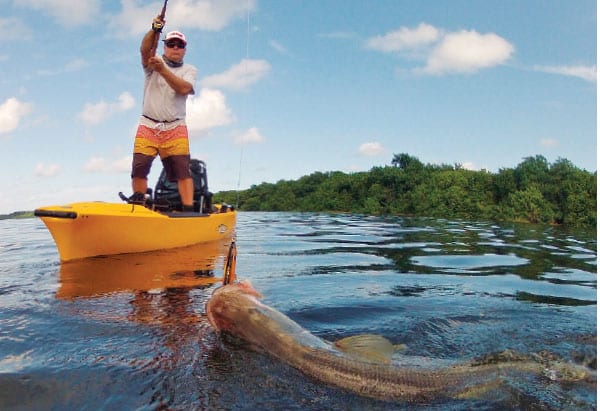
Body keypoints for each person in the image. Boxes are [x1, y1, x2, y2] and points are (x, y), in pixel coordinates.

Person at [130, 15, 197, 211]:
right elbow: (144, 49)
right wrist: (155, 29)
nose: (175, 48)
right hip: (148, 124)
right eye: (171, 44)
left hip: (175, 126)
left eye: (179, 45)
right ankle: (139, 205)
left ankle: (188, 210)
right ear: (165, 46)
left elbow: (184, 89)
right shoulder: (153, 62)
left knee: (182, 171)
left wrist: (164, 71)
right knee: (139, 167)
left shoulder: (190, 69)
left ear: (184, 49)